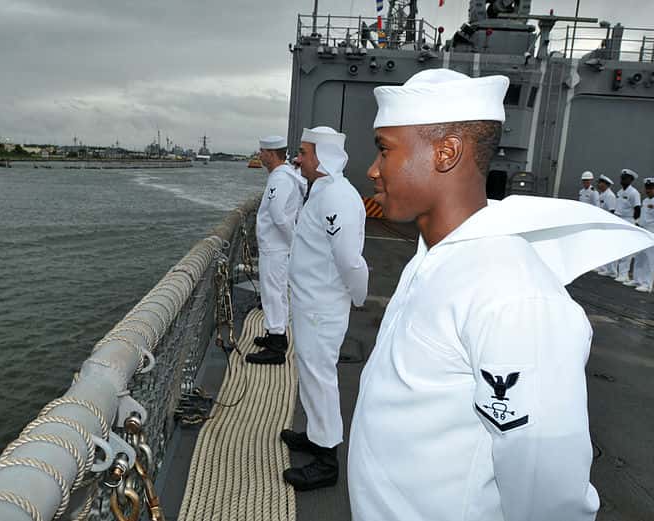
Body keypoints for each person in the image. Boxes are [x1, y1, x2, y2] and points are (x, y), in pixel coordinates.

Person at [347, 69, 654, 521]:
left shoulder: (511, 293)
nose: (373, 169)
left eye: (384, 149)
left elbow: (549, 500)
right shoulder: (434, 257)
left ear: (446, 152)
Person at [281, 126, 368, 491]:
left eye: (304, 152)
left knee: (321, 379)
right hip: (309, 303)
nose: (298, 158)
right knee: (312, 373)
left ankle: (326, 459)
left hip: (321, 307)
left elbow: (350, 261)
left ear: (323, 156)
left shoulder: (338, 198)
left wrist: (358, 298)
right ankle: (317, 437)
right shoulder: (322, 191)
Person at [246, 135, 306, 365]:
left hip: (275, 247)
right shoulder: (285, 176)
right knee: (276, 293)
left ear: (271, 154)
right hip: (278, 246)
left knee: (272, 293)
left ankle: (277, 346)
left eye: (262, 151)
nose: (259, 155)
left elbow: (279, 216)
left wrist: (292, 244)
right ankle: (274, 334)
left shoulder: (280, 180)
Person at [614, 168, 642, 284]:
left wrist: (633, 222)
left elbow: (637, 210)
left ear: (631, 180)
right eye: (622, 178)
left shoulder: (634, 193)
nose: (623, 180)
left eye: (625, 178)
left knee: (627, 249)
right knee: (619, 247)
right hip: (619, 220)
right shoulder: (620, 192)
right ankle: (618, 272)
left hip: (629, 220)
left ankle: (624, 274)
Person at [629, 178, 654, 292]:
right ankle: (637, 279)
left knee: (650, 259)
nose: (648, 190)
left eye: (651, 188)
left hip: (652, 233)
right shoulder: (645, 201)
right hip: (643, 231)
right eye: (647, 188)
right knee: (639, 257)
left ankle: (647, 284)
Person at [596, 174, 618, 277]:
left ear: (606, 184)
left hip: (607, 224)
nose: (599, 185)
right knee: (601, 246)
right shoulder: (602, 194)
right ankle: (602, 266)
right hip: (602, 223)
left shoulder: (610, 196)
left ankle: (610, 270)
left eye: (601, 183)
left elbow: (612, 211)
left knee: (608, 247)